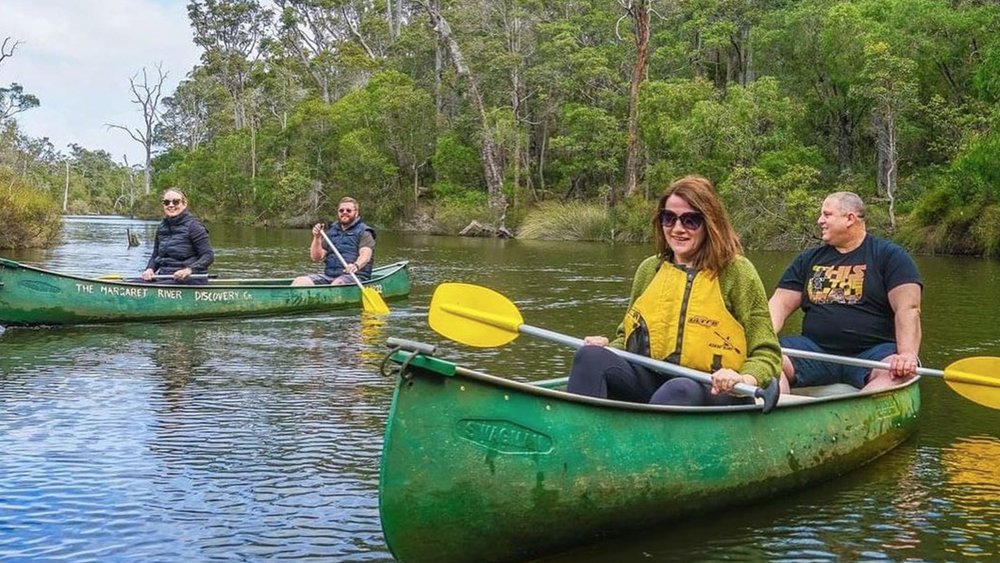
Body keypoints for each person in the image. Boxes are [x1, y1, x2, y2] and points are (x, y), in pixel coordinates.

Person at [566, 175, 781, 406]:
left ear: (710, 223)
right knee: (589, 357)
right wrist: (608, 348)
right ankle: (579, 439)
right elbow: (627, 339)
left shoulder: (737, 272)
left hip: (714, 390)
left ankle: (643, 439)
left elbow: (767, 354)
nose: (677, 229)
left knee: (679, 389)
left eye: (690, 221)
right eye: (669, 218)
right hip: (653, 379)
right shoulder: (650, 269)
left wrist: (744, 378)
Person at [768, 191, 922, 393]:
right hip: (815, 351)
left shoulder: (890, 256)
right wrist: (760, 341)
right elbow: (779, 304)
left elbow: (908, 309)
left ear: (850, 218)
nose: (820, 220)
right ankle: (779, 414)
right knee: (767, 361)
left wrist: (907, 355)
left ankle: (863, 414)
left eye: (827, 214)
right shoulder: (808, 259)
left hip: (873, 354)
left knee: (897, 374)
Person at [291, 197, 376, 286]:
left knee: (337, 284)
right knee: (300, 281)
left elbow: (365, 256)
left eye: (348, 210)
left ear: (356, 213)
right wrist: (317, 238)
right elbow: (316, 257)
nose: (344, 212)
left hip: (355, 276)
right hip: (329, 276)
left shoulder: (364, 232)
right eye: (341, 210)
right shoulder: (332, 232)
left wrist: (355, 266)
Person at [139, 188, 213, 285]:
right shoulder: (161, 227)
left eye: (176, 202)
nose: (171, 205)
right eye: (166, 202)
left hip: (190, 279)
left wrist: (188, 270)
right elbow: (156, 256)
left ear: (184, 204)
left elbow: (208, 256)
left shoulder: (194, 226)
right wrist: (150, 269)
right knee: (131, 283)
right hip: (164, 277)